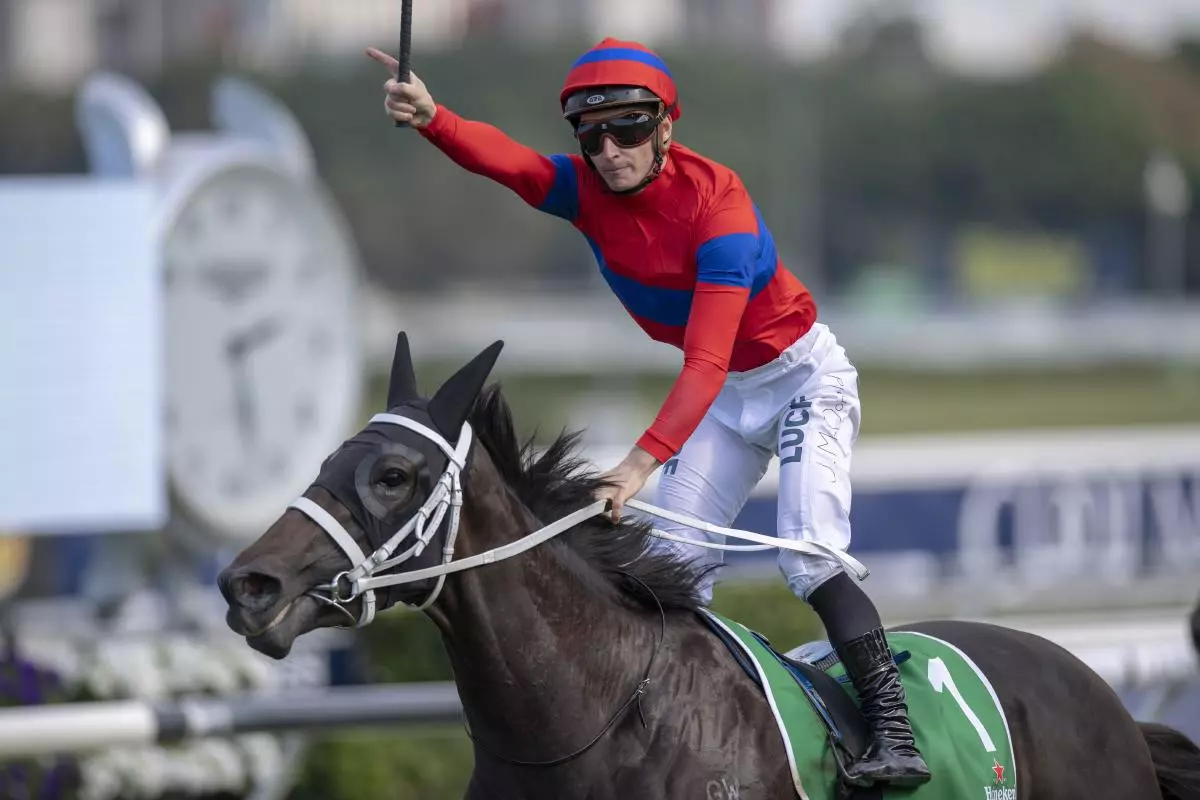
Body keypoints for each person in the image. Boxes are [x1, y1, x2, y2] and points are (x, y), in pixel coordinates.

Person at [366, 38, 931, 788]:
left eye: (628, 129)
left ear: (666, 126)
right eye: (591, 136)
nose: (609, 152)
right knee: (674, 569)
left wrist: (638, 465)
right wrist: (434, 117)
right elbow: (511, 163)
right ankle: (685, 733)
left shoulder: (720, 206)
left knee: (808, 557)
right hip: (726, 397)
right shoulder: (584, 190)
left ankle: (895, 732)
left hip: (801, 382)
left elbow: (705, 360)